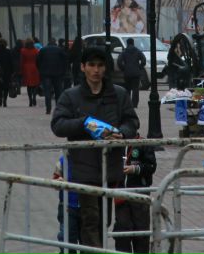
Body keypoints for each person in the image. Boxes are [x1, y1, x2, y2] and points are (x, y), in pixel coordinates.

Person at [51, 45, 139, 248]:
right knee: (90, 219)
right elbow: (58, 125)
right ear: (83, 67)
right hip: (84, 168)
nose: (96, 70)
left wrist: (122, 133)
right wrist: (83, 123)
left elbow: (131, 122)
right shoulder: (71, 96)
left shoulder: (118, 94)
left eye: (100, 65)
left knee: (103, 220)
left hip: (110, 168)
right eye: (91, 65)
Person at [112, 135, 157, 253]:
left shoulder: (143, 143)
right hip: (121, 193)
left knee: (141, 228)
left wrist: (135, 169)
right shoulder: (116, 143)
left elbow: (151, 166)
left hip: (139, 192)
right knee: (122, 228)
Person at [37, 38, 69, 114]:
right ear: (55, 43)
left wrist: (41, 70)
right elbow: (65, 60)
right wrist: (63, 71)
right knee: (58, 91)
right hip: (58, 73)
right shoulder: (59, 50)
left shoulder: (43, 50)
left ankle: (48, 109)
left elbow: (38, 61)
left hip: (46, 74)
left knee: (47, 91)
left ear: (48, 42)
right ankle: (58, 108)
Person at [117, 38, 147, 108]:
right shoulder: (138, 51)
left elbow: (119, 61)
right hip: (136, 73)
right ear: (133, 43)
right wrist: (139, 67)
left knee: (127, 89)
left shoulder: (124, 52)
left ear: (127, 43)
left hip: (127, 73)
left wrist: (123, 68)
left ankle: (128, 103)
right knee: (135, 89)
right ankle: (134, 104)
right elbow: (143, 60)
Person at [0, 38, 15, 107]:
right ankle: (5, 100)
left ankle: (0, 99)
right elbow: (11, 62)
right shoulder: (8, 51)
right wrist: (12, 71)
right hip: (7, 71)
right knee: (6, 87)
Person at [20, 36, 41, 107]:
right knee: (35, 84)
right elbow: (38, 60)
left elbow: (22, 61)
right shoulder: (36, 50)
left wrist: (22, 70)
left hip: (26, 68)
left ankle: (30, 100)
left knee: (29, 85)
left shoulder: (23, 50)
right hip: (34, 68)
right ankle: (34, 96)